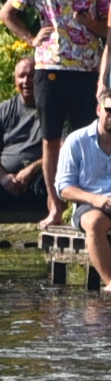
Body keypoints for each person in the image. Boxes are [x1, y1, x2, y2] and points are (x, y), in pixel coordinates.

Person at [0, 0, 111, 227]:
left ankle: (88, 204)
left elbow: (108, 29)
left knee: (88, 137)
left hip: (87, 67)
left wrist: (91, 25)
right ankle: (54, 206)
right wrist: (30, 38)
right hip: (50, 66)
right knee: (50, 140)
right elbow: (7, 13)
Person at [0, 56, 46, 263]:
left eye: (31, 75)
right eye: (21, 76)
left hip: (41, 178)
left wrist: (32, 169)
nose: (26, 81)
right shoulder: (4, 110)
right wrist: (3, 176)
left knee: (57, 189)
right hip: (6, 179)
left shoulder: (50, 108)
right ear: (14, 80)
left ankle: (53, 262)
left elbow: (61, 149)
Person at [54, 90, 111, 288]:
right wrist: (96, 200)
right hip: (89, 204)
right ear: (99, 110)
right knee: (94, 223)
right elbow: (63, 187)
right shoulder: (76, 141)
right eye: (109, 110)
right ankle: (110, 283)